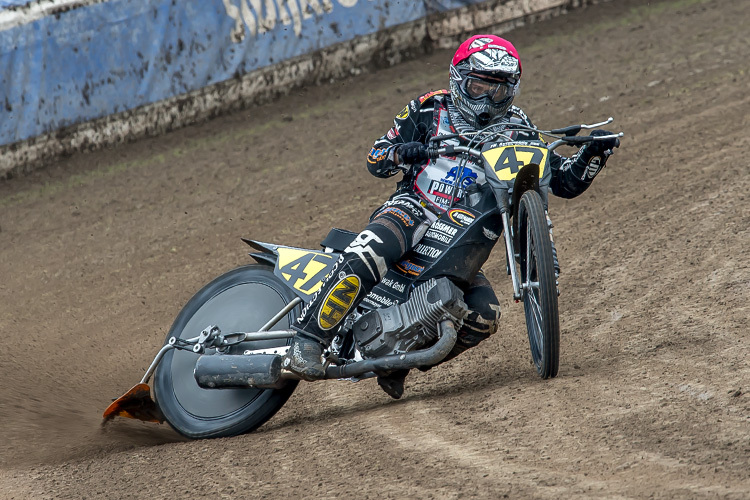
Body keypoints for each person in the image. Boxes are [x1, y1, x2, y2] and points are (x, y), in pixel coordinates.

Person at [283, 34, 619, 398]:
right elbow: (375, 158)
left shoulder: (517, 124)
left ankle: (398, 364)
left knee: (483, 315)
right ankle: (307, 341)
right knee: (372, 250)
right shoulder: (428, 108)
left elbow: (562, 182)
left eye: (498, 91)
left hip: (462, 230)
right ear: (459, 79)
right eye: (478, 87)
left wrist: (592, 156)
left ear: (513, 91)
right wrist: (402, 153)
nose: (488, 100)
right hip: (413, 208)